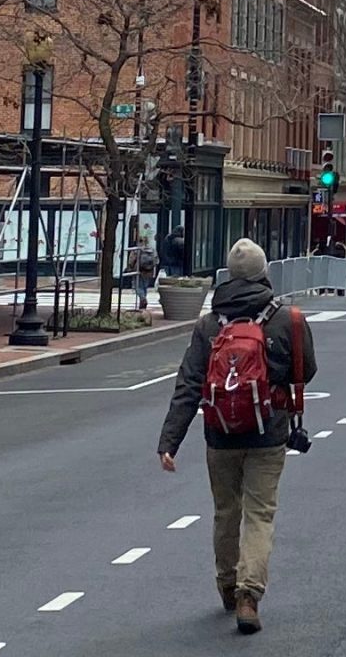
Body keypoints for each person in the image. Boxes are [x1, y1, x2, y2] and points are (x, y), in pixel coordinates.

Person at [158, 240, 317, 635]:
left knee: (226, 511)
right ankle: (251, 593)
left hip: (220, 433)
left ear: (227, 276)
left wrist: (169, 441)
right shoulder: (287, 321)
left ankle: (228, 585)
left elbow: (189, 384)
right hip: (269, 433)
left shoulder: (210, 325)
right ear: (265, 273)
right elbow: (307, 371)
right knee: (259, 514)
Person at [127, 231, 158, 312]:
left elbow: (131, 260)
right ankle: (142, 302)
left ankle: (142, 299)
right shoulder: (152, 249)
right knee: (144, 287)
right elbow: (157, 261)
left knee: (137, 286)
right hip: (148, 272)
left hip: (139, 271)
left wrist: (130, 268)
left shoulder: (136, 250)